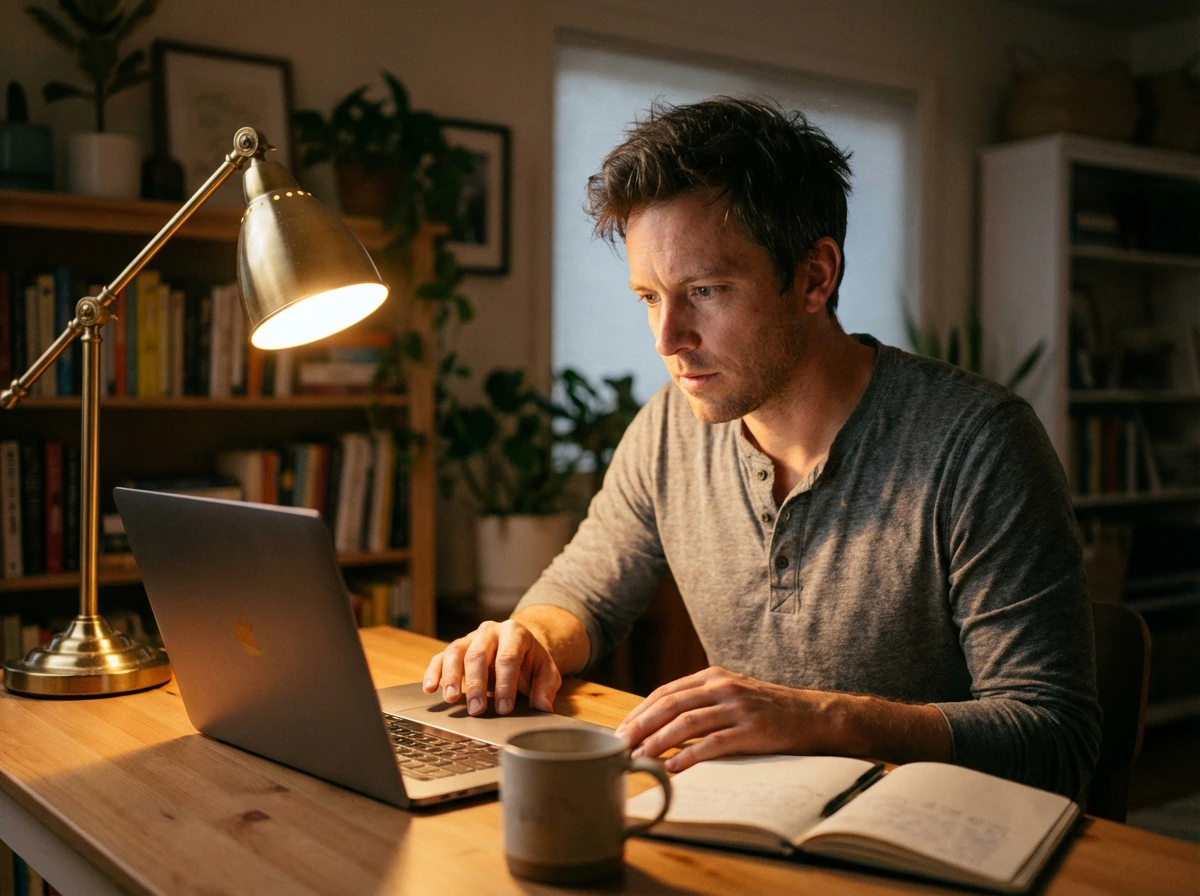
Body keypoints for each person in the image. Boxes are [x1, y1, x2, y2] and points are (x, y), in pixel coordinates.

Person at [423, 97, 1100, 798]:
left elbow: (1056, 738)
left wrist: (827, 719)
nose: (668, 340)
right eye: (649, 298)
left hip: (935, 839)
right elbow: (584, 593)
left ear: (815, 276)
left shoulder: (979, 443)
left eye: (705, 291)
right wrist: (528, 638)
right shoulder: (669, 427)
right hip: (757, 824)